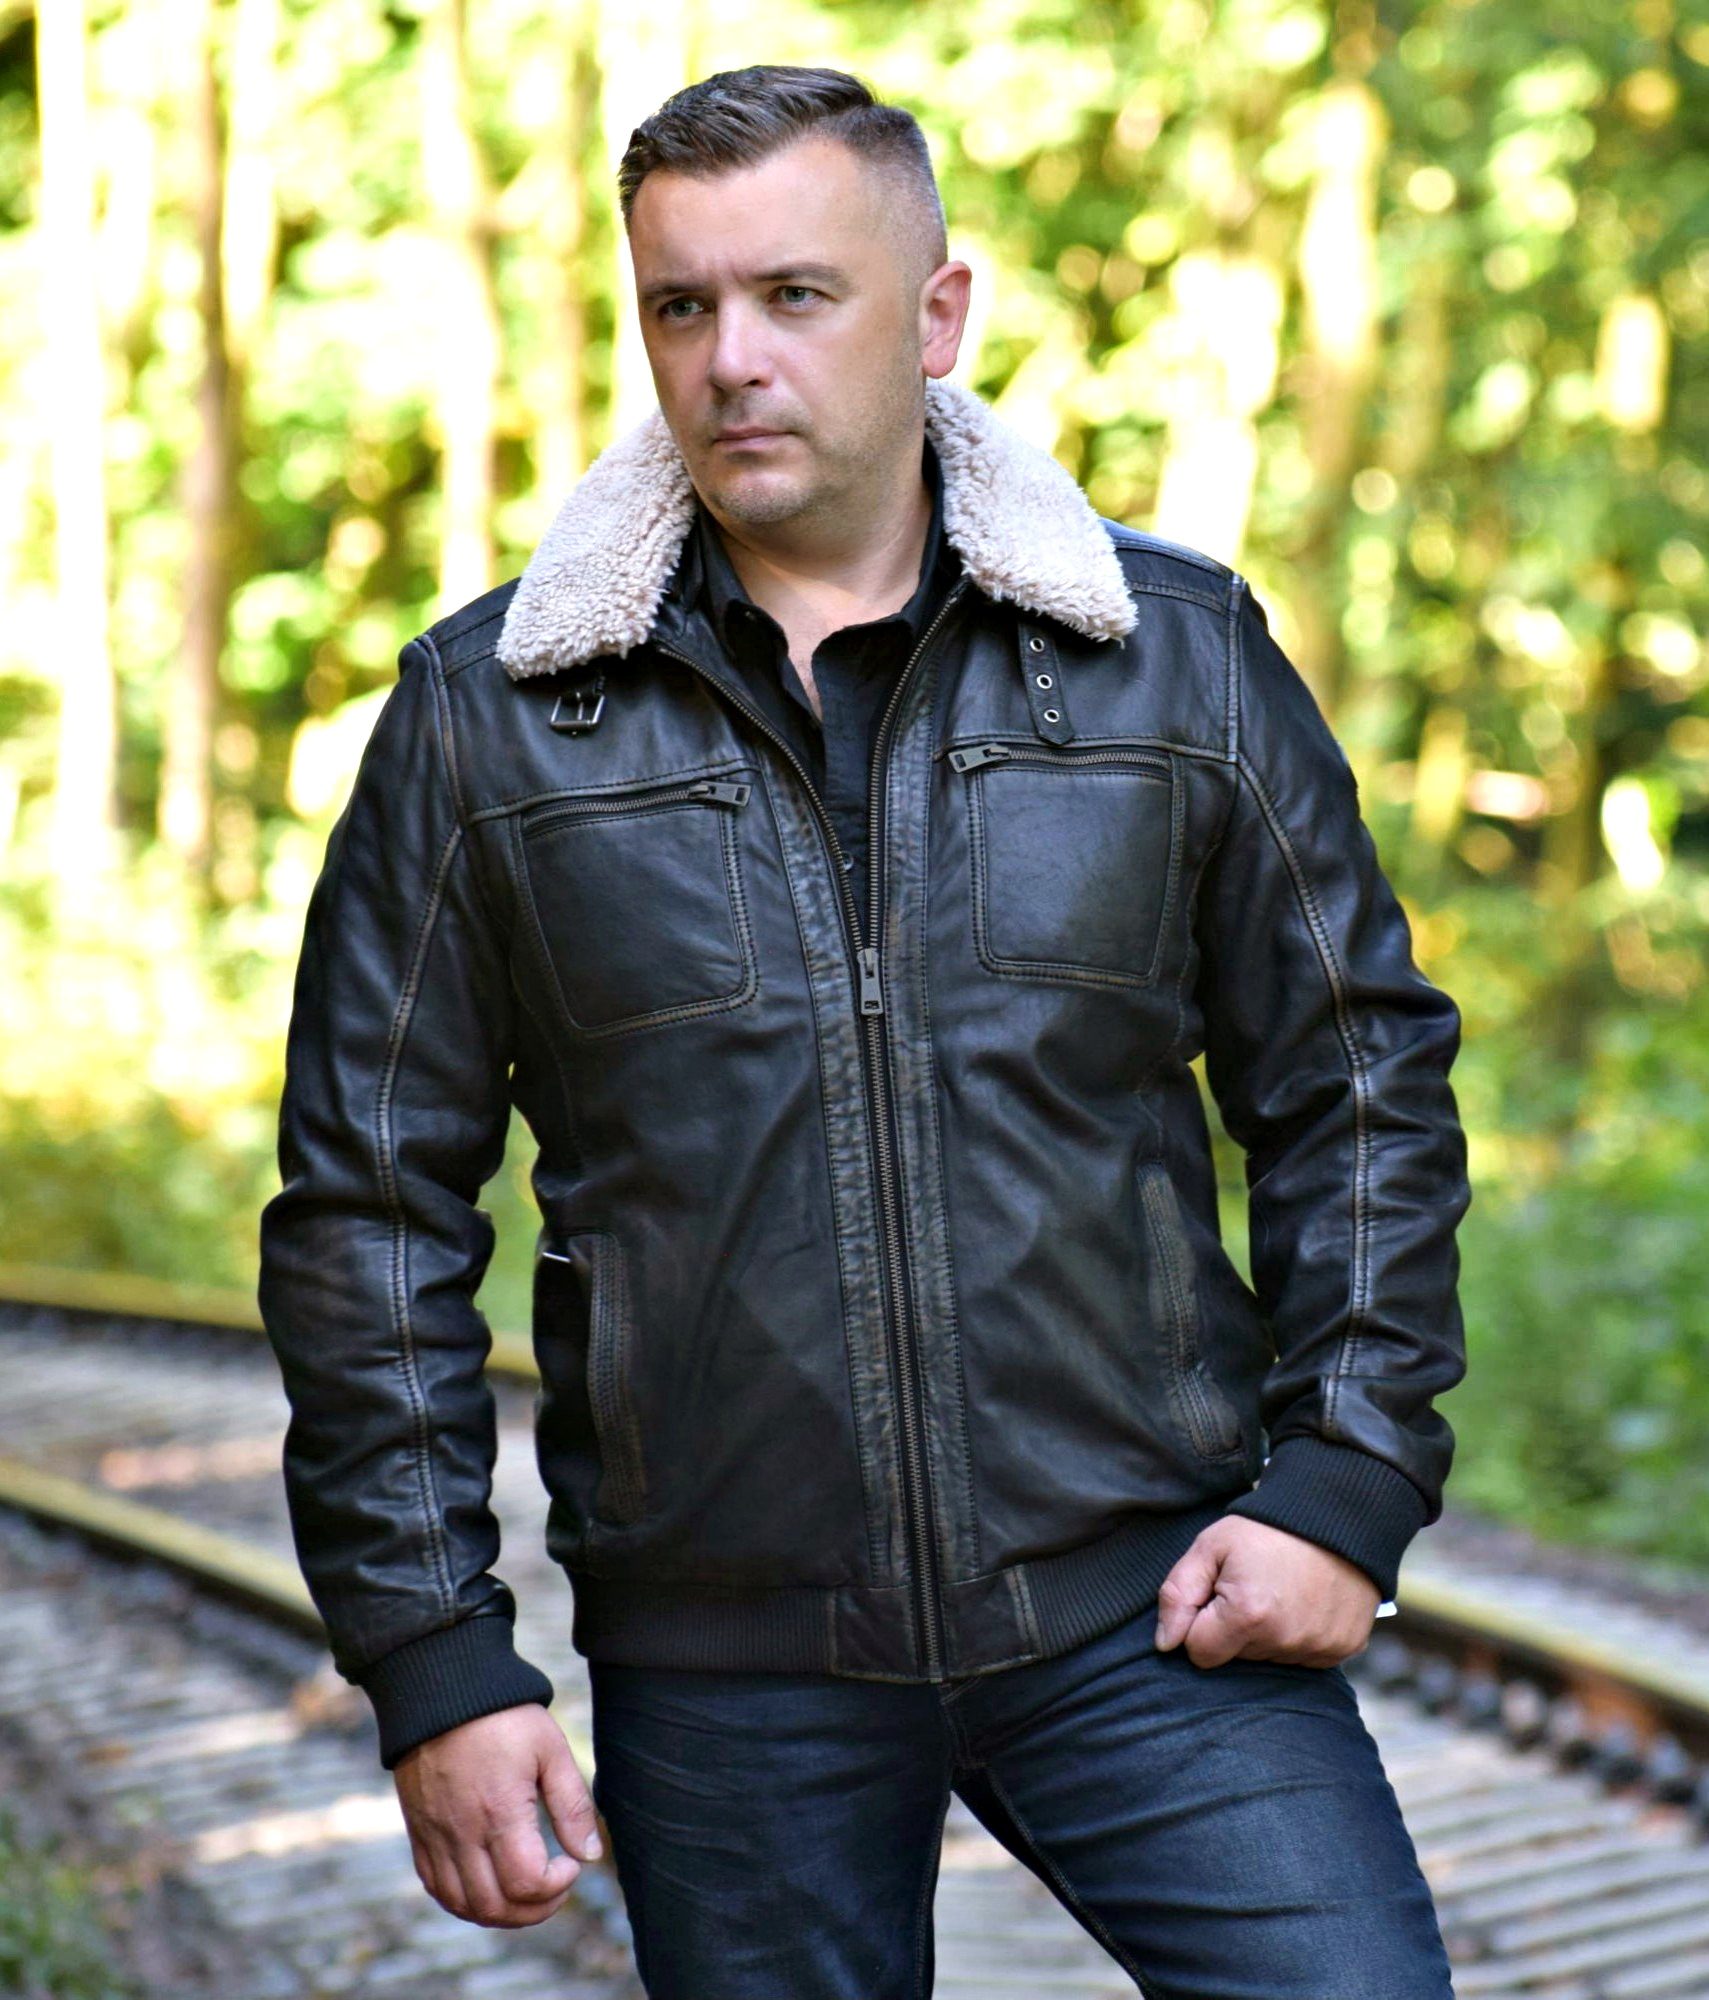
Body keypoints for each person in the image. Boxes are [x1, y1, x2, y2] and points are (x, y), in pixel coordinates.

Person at [257, 62, 1471, 2000]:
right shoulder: (487, 722)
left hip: (1148, 1608)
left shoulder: (1173, 662)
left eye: (796, 295)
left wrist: (1344, 1483)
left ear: (935, 314)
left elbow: (1359, 1084)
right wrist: (435, 1657)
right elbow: (364, 1210)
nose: (731, 356)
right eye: (681, 303)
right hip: (726, 1672)